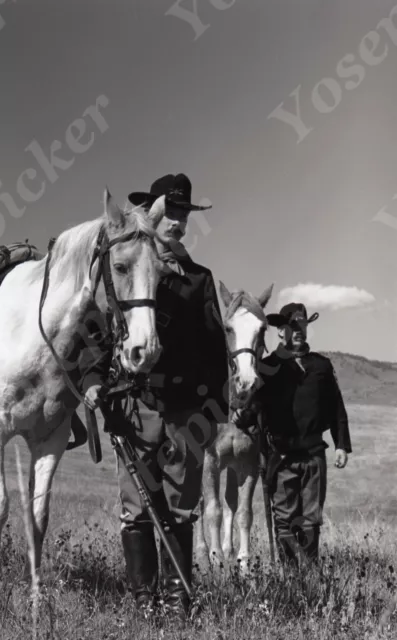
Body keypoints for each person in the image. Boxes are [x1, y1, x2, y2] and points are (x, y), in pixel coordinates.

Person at [79, 173, 229, 619]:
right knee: (137, 507)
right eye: (171, 213)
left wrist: (214, 412)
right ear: (153, 215)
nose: (178, 223)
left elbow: (214, 347)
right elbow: (100, 332)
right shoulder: (125, 265)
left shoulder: (199, 279)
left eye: (184, 215)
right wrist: (90, 378)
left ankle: (175, 598)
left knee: (182, 508)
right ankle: (143, 599)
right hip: (136, 405)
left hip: (186, 412)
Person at [258, 302, 352, 566]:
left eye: (302, 325)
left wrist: (341, 445)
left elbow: (336, 407)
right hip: (282, 457)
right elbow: (255, 410)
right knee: (285, 520)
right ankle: (289, 579)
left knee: (310, 520)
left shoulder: (322, 366)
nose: (298, 330)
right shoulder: (268, 367)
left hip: (313, 456)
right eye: (291, 326)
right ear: (280, 331)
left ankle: (309, 578)